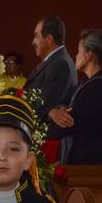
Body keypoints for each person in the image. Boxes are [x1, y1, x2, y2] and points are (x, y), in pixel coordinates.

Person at [48, 29, 102, 164]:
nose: (76, 56)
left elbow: (68, 124)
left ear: (88, 55)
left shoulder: (99, 87)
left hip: (93, 166)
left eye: (78, 51)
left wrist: (43, 126)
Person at [26, 15, 78, 162]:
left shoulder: (59, 64)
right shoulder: (53, 61)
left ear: (48, 39)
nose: (33, 42)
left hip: (46, 142)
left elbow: (43, 102)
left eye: (36, 36)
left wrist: (48, 110)